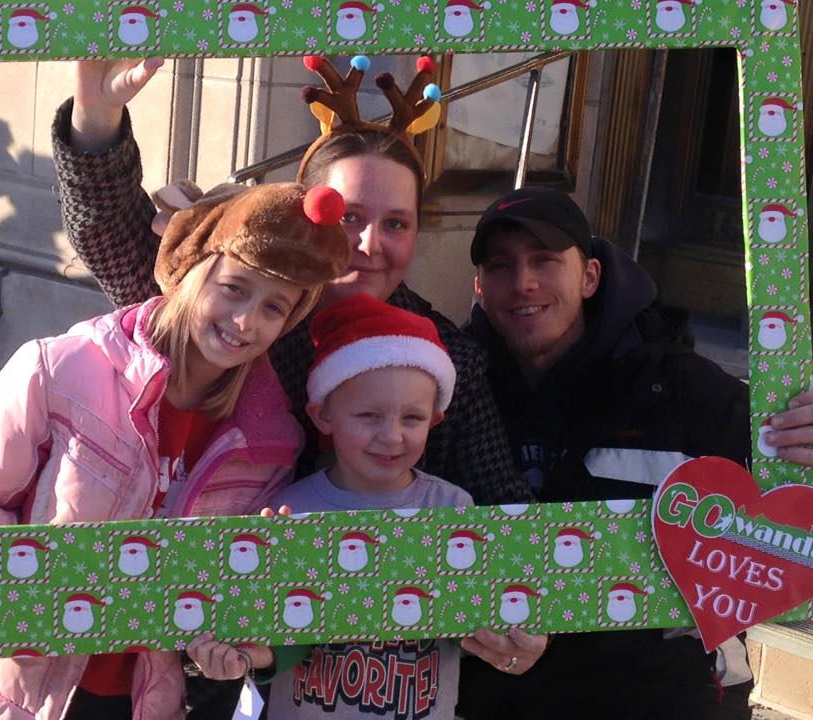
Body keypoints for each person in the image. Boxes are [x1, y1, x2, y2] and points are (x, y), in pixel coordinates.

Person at [52, 56, 540, 717]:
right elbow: (116, 240)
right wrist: (96, 119)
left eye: (397, 222)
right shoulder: (243, 318)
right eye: (348, 216)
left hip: (374, 684)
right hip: (201, 667)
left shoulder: (444, 357)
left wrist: (523, 616)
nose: (369, 244)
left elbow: (503, 511)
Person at [0, 182, 353, 720]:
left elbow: (223, 597)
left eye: (274, 307)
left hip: (141, 701)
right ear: (190, 271)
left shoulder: (269, 443)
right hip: (26, 682)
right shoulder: (59, 369)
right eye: (233, 288)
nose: (246, 320)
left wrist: (252, 603)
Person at [458, 186, 760, 719]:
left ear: (590, 276)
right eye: (501, 265)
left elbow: (782, 511)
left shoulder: (682, 389)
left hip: (660, 694)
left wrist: (799, 443)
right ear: (480, 287)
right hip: (492, 693)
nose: (523, 282)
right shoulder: (447, 391)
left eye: (545, 260)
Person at [187, 292, 510, 718]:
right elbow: (281, 638)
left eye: (412, 418)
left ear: (434, 420)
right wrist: (254, 644)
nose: (391, 436)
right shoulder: (291, 510)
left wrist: (500, 628)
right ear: (323, 415)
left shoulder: (452, 509)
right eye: (369, 416)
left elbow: (468, 629)